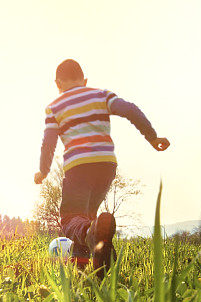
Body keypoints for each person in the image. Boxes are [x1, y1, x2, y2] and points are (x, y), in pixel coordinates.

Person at [34, 59, 170, 276]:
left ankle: (91, 235)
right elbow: (130, 110)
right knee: (87, 215)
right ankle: (93, 265)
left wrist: (43, 170)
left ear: (57, 83)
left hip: (78, 167)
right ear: (84, 80)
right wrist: (152, 137)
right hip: (106, 165)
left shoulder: (55, 107)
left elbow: (48, 141)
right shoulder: (101, 95)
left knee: (71, 218)